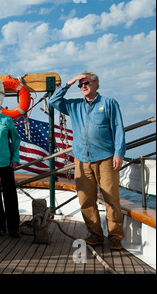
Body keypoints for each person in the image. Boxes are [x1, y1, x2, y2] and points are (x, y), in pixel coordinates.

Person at [49, 71, 126, 250]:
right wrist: (69, 82)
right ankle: (95, 235)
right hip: (82, 160)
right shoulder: (74, 106)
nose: (83, 86)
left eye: (87, 83)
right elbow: (53, 101)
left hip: (106, 158)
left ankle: (115, 236)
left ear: (96, 84)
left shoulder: (109, 103)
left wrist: (119, 153)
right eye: (80, 84)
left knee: (111, 198)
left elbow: (118, 128)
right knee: (85, 200)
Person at [0, 108, 22, 238]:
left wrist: (15, 158)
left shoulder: (6, 119)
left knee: (10, 196)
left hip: (6, 163)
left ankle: (14, 228)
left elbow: (16, 139)